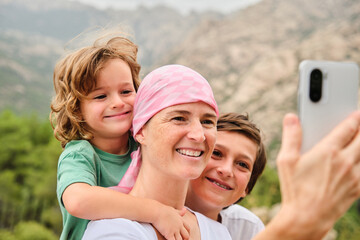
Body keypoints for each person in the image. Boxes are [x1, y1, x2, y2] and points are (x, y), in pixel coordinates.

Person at [50, 35, 189, 240]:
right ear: (76, 110)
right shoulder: (80, 155)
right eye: (100, 96)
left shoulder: (144, 144)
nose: (117, 102)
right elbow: (79, 200)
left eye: (126, 91)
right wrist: (156, 212)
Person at [82, 64, 232, 239]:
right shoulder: (112, 231)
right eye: (179, 118)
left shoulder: (218, 232)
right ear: (141, 131)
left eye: (207, 122)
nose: (199, 136)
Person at [186, 112, 266, 240]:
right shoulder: (151, 213)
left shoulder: (249, 229)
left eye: (242, 164)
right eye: (217, 153)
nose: (226, 170)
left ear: (247, 187)